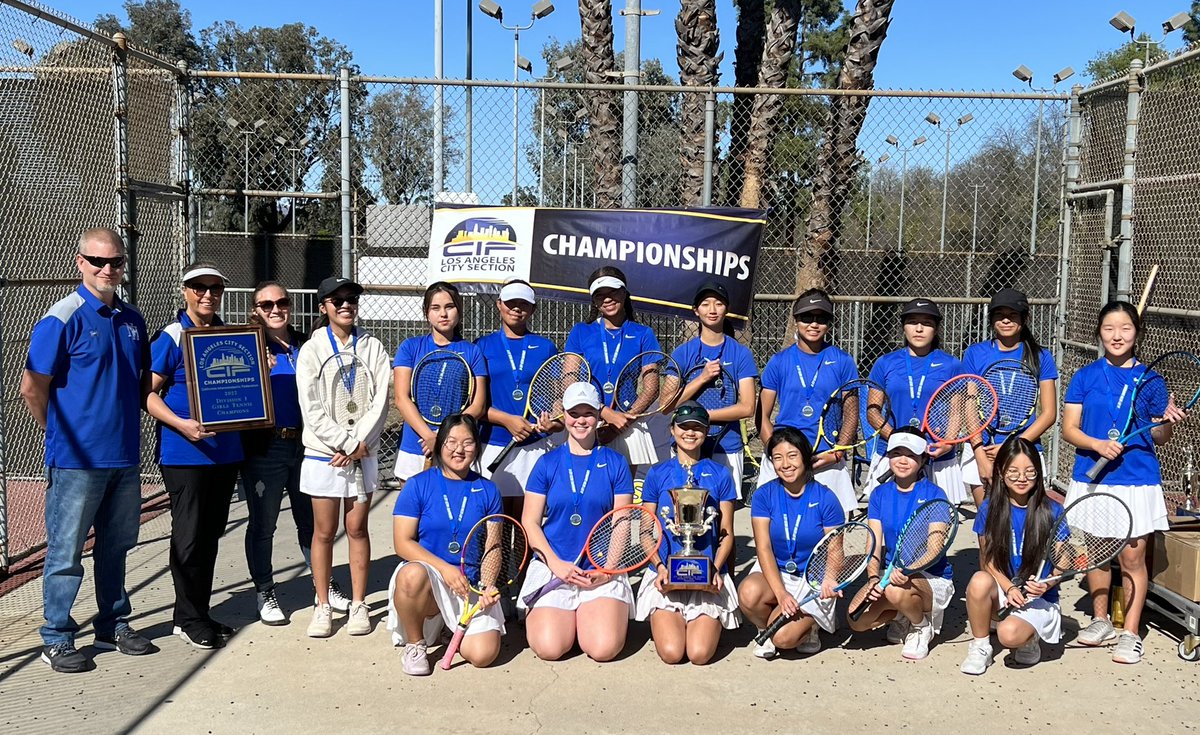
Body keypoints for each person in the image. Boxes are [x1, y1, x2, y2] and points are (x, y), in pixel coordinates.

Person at [20, 227, 154, 672]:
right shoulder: (62, 318)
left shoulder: (133, 321)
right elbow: (32, 388)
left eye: (115, 261)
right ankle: (57, 636)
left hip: (124, 458)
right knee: (65, 553)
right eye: (97, 261)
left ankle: (113, 622)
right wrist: (58, 434)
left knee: (116, 547)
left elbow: (139, 385)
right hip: (77, 462)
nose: (107, 269)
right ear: (80, 262)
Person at [1061, 300, 1186, 664]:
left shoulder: (1151, 379)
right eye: (1109, 328)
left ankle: (1130, 632)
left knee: (1132, 557)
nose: (1117, 335)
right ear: (1099, 333)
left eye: (1125, 328)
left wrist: (1166, 420)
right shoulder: (1085, 376)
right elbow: (1069, 430)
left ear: (1137, 333)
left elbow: (1159, 436)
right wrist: (1097, 443)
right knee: (1099, 554)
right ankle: (1101, 620)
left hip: (1136, 478)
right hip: (1094, 476)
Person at [144, 262, 244, 649]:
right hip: (185, 454)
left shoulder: (230, 336)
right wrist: (182, 424)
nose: (207, 295)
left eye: (215, 288)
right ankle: (186, 618)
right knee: (189, 538)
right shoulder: (172, 336)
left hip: (224, 454)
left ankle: (198, 612)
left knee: (210, 535)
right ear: (185, 291)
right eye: (199, 287)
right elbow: (147, 393)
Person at [240, 282, 348, 626]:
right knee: (264, 524)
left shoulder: (308, 344)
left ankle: (323, 585)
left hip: (307, 445)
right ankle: (265, 590)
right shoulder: (248, 346)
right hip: (265, 448)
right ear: (256, 309)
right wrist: (254, 365)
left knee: (313, 522)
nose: (275, 309)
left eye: (282, 302)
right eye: (266, 304)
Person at [296, 277, 392, 638]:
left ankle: (358, 604)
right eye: (337, 300)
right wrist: (342, 442)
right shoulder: (311, 349)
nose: (345, 305)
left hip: (360, 452)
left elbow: (381, 400)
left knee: (356, 528)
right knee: (324, 532)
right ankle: (322, 605)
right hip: (325, 454)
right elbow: (312, 406)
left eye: (351, 299)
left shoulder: (372, 346)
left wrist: (358, 444)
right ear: (324, 307)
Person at [519, 382, 636, 662]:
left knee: (602, 649)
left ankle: (588, 615)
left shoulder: (616, 463)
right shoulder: (546, 463)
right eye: (574, 413)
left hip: (599, 568)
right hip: (555, 567)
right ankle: (567, 618)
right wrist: (555, 564)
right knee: (550, 648)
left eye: (588, 413)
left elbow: (622, 521)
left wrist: (607, 572)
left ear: (598, 415)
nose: (581, 420)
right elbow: (530, 522)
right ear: (564, 415)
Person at [387, 415, 506, 676]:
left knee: (483, 655)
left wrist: (486, 585)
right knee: (410, 575)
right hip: (431, 579)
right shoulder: (418, 484)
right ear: (440, 444)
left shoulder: (488, 490)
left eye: (467, 442)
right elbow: (402, 543)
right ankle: (415, 644)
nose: (458, 449)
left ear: (477, 447)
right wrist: (445, 570)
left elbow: (493, 546)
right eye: (451, 441)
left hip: (469, 585)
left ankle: (449, 628)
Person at [635, 402, 739, 665]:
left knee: (699, 654)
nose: (690, 433)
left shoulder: (721, 474)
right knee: (672, 653)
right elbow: (646, 531)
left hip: (707, 574)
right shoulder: (657, 474)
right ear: (672, 430)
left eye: (697, 428)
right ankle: (672, 615)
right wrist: (659, 566)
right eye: (684, 427)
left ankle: (703, 621)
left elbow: (726, 533)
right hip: (666, 573)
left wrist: (715, 569)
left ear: (705, 432)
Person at [846, 428, 955, 660]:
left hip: (930, 577)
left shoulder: (935, 494)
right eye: (897, 453)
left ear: (923, 459)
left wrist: (906, 571)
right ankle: (901, 615)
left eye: (911, 455)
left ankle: (921, 625)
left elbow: (935, 550)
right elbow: (873, 544)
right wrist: (874, 578)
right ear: (888, 457)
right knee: (856, 619)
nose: (903, 460)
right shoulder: (879, 494)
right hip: (893, 573)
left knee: (895, 589)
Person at [737, 427, 845, 659]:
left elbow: (835, 548)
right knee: (748, 592)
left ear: (805, 457)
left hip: (812, 578)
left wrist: (829, 578)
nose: (785, 464)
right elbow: (763, 547)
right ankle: (766, 627)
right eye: (777, 458)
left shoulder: (826, 498)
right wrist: (782, 594)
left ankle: (810, 628)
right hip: (777, 571)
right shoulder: (764, 494)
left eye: (792, 455)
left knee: (784, 639)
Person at [961, 436, 1064, 675]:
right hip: (1005, 589)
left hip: (1040, 597)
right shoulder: (989, 508)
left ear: (1038, 473)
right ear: (1001, 472)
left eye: (1029, 471)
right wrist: (1009, 588)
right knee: (978, 581)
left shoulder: (1053, 510)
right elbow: (987, 561)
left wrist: (1047, 584)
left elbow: (1062, 562)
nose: (1022, 478)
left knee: (1008, 635)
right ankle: (980, 647)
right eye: (1013, 471)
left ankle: (1030, 637)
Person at [757, 290, 859, 513]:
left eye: (821, 318)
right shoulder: (779, 361)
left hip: (826, 458)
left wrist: (838, 452)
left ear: (829, 324)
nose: (814, 324)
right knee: (777, 528)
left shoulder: (842, 361)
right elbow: (762, 415)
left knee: (831, 533)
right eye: (806, 317)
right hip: (785, 460)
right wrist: (775, 452)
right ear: (796, 321)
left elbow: (851, 412)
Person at [960, 288, 1058, 507]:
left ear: (1024, 318)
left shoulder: (1041, 356)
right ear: (992, 319)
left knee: (1023, 524)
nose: (1006, 320)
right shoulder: (975, 353)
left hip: (1024, 448)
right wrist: (980, 457)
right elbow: (969, 407)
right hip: (983, 449)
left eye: (1012, 314)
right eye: (999, 315)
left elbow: (1049, 413)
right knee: (988, 528)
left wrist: (1012, 446)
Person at [866, 298, 967, 504]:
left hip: (936, 456)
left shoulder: (951, 364)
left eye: (927, 323)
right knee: (887, 522)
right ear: (903, 327)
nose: (919, 329)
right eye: (912, 322)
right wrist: (897, 438)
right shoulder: (885, 363)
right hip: (894, 454)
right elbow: (872, 411)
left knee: (938, 527)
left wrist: (947, 444)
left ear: (936, 329)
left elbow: (956, 411)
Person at [564, 267, 664, 471]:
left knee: (623, 496)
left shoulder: (643, 333)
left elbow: (652, 387)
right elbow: (569, 382)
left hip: (628, 423)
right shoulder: (581, 332)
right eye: (600, 295)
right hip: (588, 421)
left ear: (624, 293)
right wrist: (603, 412)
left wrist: (622, 422)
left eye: (613, 292)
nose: (607, 299)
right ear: (594, 301)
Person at [475, 280, 560, 518]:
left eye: (524, 304)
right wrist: (507, 420)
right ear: (499, 305)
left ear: (533, 309)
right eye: (511, 303)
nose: (517, 308)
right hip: (492, 443)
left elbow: (556, 396)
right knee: (495, 520)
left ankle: (524, 557)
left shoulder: (545, 347)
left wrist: (551, 422)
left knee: (526, 522)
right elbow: (475, 404)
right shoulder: (482, 345)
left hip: (533, 443)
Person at [665, 281, 757, 498]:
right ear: (696, 311)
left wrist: (703, 418)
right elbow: (666, 405)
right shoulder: (682, 354)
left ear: (727, 309)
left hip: (727, 444)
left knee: (723, 515)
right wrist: (701, 379)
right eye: (705, 304)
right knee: (685, 512)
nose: (712, 310)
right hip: (685, 443)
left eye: (719, 303)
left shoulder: (740, 354)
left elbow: (747, 407)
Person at [393, 282, 488, 484]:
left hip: (454, 447)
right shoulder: (410, 347)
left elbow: (478, 406)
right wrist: (429, 436)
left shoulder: (472, 351)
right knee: (413, 514)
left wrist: (444, 436)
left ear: (459, 310)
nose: (443, 314)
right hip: (416, 444)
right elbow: (401, 399)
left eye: (449, 307)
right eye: (436, 308)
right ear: (426, 313)